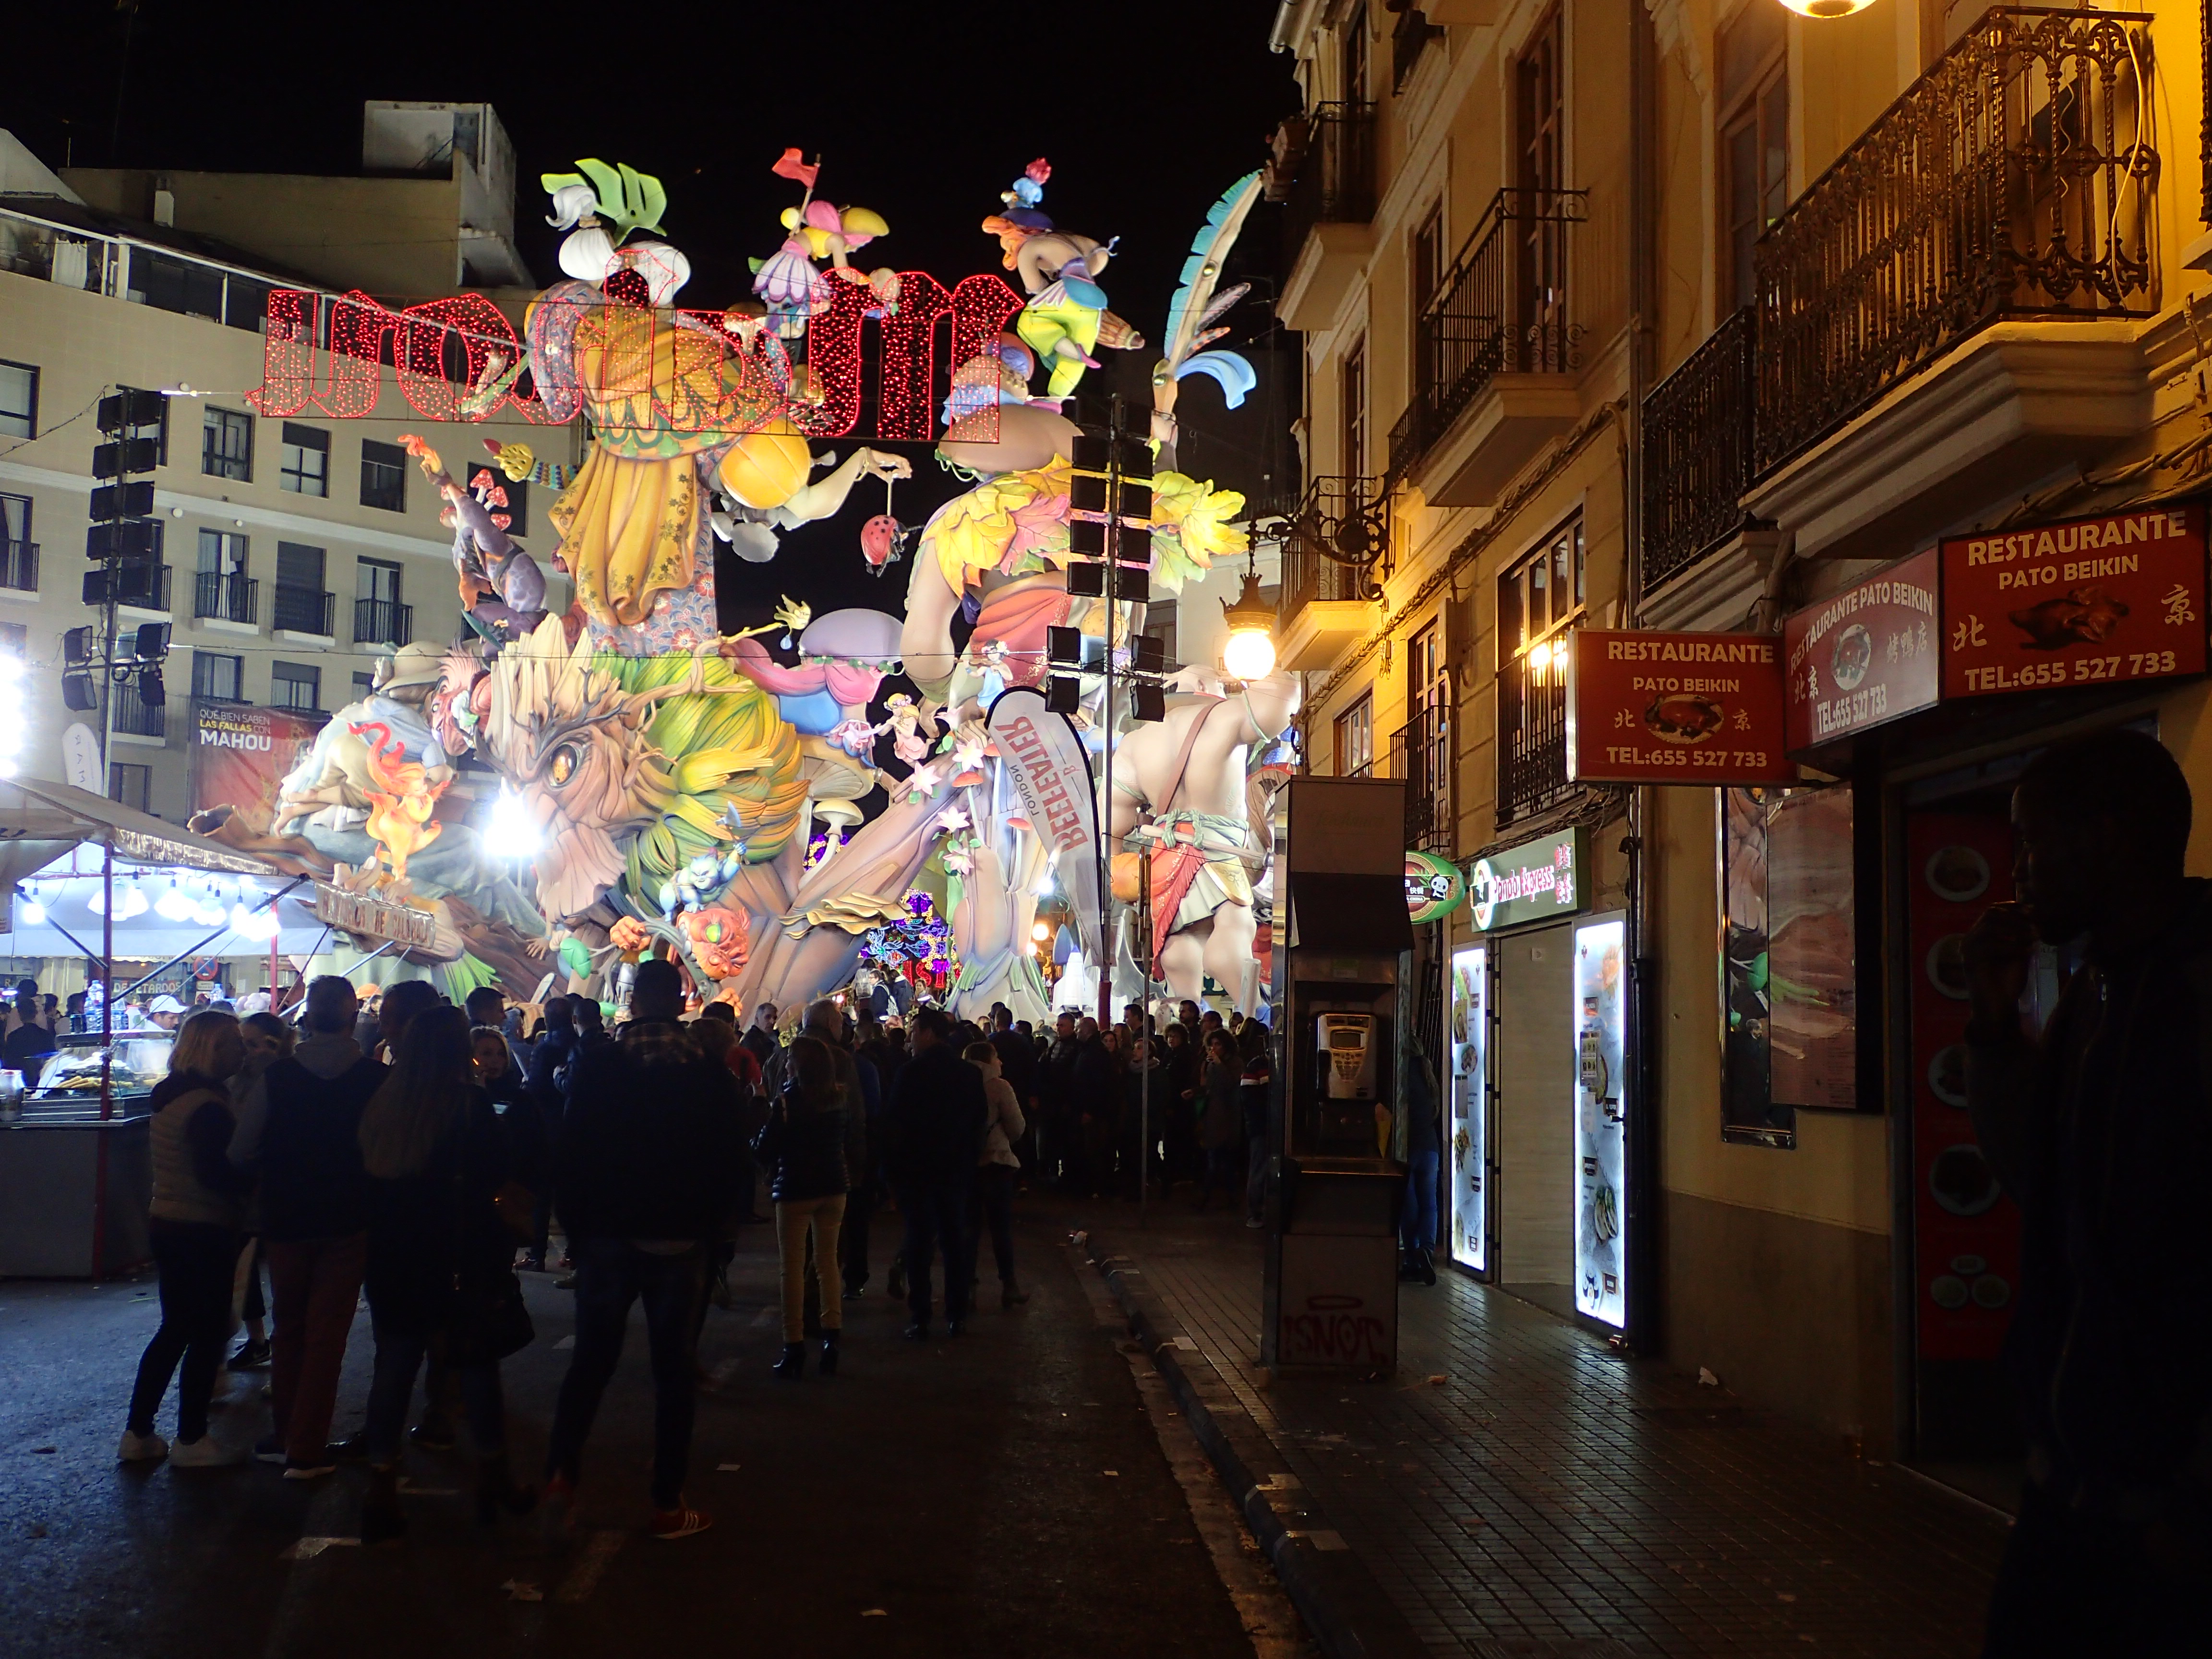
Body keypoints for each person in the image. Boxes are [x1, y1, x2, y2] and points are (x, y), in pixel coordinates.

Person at [1962, 730, 2212, 1654]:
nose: (2016, 872)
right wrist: (1993, 1030)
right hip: (2068, 1490)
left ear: (2104, 837)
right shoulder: (2092, 997)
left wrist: (2195, 1504)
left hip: (2167, 1521)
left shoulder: (2189, 1000)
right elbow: (2042, 1188)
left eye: (2030, 841)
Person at [545, 958, 743, 1541]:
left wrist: (577, 1231)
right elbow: (730, 1161)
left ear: (631, 1003)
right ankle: (666, 1504)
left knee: (590, 1364)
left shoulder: (598, 1065)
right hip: (680, 1236)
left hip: (608, 1233)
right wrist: (718, 1231)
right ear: (681, 1002)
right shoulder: (707, 1073)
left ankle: (560, 1478)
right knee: (673, 1371)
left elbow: (571, 1151)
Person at [357, 1006, 536, 1542]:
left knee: (395, 1366)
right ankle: (493, 1474)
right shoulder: (468, 1105)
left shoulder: (384, 1101)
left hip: (393, 1254)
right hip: (459, 1251)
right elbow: (498, 1173)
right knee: (475, 1362)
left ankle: (381, 1482)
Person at [232, 977, 384, 1479]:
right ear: (353, 1017)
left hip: (286, 1216)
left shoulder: (279, 1077)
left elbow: (241, 1149)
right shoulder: (375, 1079)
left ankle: (286, 1434)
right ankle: (307, 1447)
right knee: (327, 1334)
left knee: (290, 1327)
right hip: (349, 1217)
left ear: (308, 1018)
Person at [121, 1010, 254, 1466]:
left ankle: (139, 1431)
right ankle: (192, 1439)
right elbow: (216, 1175)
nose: (242, 1051)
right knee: (207, 1333)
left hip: (167, 1220)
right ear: (214, 1048)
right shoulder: (208, 1107)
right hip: (204, 1227)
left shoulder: (170, 1095)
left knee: (174, 1328)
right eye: (235, 1042)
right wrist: (254, 1184)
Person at [753, 1034, 863, 1377]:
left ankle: (794, 1344)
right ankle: (832, 1337)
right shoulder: (840, 1098)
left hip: (796, 1189)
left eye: (790, 1060)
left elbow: (765, 1149)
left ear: (799, 1066)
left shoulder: (787, 1103)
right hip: (834, 1186)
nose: (786, 1064)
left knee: (792, 1268)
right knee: (827, 1263)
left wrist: (758, 1122)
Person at [885, 1007, 987, 1340]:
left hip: (918, 1172)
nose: (911, 1039)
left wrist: (893, 1173)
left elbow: (895, 1126)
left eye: (915, 1032)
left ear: (929, 1033)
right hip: (955, 1171)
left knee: (919, 1245)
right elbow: (979, 1123)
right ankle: (957, 1315)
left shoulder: (911, 1073)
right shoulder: (968, 1074)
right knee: (954, 1244)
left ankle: (921, 1316)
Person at [227, 1012, 297, 1371]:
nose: (245, 1051)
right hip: (247, 1191)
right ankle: (258, 1339)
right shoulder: (236, 1078)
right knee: (244, 1268)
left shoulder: (282, 1078)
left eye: (251, 1044)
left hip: (273, 1189)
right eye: (242, 1043)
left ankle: (283, 1352)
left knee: (283, 1275)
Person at [966, 1040, 1028, 1308]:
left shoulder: (958, 1084)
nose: (1000, 1062)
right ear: (989, 1060)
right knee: (1000, 1228)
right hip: (996, 1163)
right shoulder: (999, 1087)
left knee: (968, 1229)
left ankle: (967, 1286)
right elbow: (1017, 1126)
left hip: (967, 1165)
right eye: (996, 1057)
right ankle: (1009, 1285)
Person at [1398, 1036, 1441, 1285]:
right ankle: (1427, 1250)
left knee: (1410, 1206)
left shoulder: (1402, 1076)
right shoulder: (1429, 1076)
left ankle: (1412, 1259)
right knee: (1430, 1205)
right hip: (1431, 1149)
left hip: (1408, 1149)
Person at [1193, 1030, 1244, 1211]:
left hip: (1228, 1117)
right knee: (1216, 1160)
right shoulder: (1210, 1064)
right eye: (1211, 1045)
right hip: (1213, 1117)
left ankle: (1209, 1197)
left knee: (1222, 1161)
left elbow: (1230, 1084)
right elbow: (1209, 1086)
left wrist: (1219, 1065)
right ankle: (1224, 1197)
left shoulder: (1234, 1063)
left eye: (1218, 1045)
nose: (1214, 1049)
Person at [1072, 1016, 1115, 1198]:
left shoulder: (1095, 1053)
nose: (1076, 1032)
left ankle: (1097, 1188)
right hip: (1091, 1110)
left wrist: (1090, 1110)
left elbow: (1097, 1086)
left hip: (1095, 1113)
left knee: (1094, 1150)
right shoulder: (1089, 1050)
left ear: (1087, 1031)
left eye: (1079, 1029)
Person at [1240, 1047, 1274, 1228]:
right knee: (1259, 1169)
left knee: (1260, 1168)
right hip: (1262, 1127)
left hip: (1263, 1126)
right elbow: (1251, 1102)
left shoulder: (1259, 1066)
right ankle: (1255, 1212)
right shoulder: (1258, 1066)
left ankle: (1259, 1211)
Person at [3, 989, 57, 1086]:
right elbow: (51, 1060)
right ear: (36, 1013)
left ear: (20, 1014)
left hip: (19, 1081)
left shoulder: (13, 1037)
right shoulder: (46, 1035)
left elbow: (8, 1064)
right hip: (41, 1079)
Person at [740, 1000, 779, 1070]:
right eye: (768, 1017)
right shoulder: (751, 1041)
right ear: (757, 1019)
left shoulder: (770, 1038)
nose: (773, 1022)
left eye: (775, 1018)